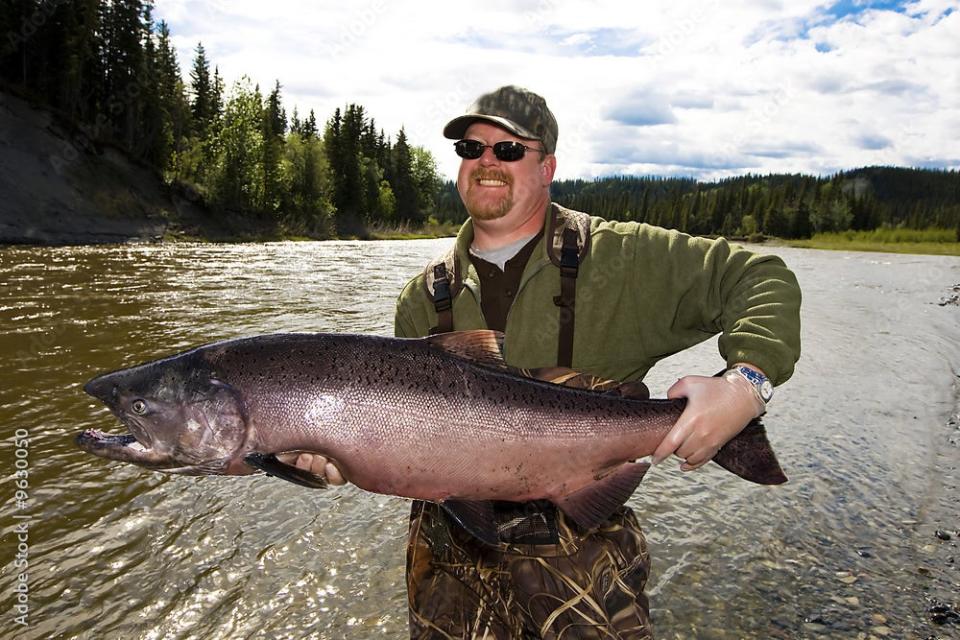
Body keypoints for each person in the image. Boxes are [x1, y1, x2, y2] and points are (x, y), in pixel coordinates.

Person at [290, 85, 801, 638]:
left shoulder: (622, 259)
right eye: (471, 149)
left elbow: (759, 276)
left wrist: (745, 383)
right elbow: (402, 443)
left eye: (508, 150)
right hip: (448, 574)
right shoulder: (421, 299)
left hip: (586, 574)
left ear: (548, 165)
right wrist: (337, 457)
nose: (486, 162)